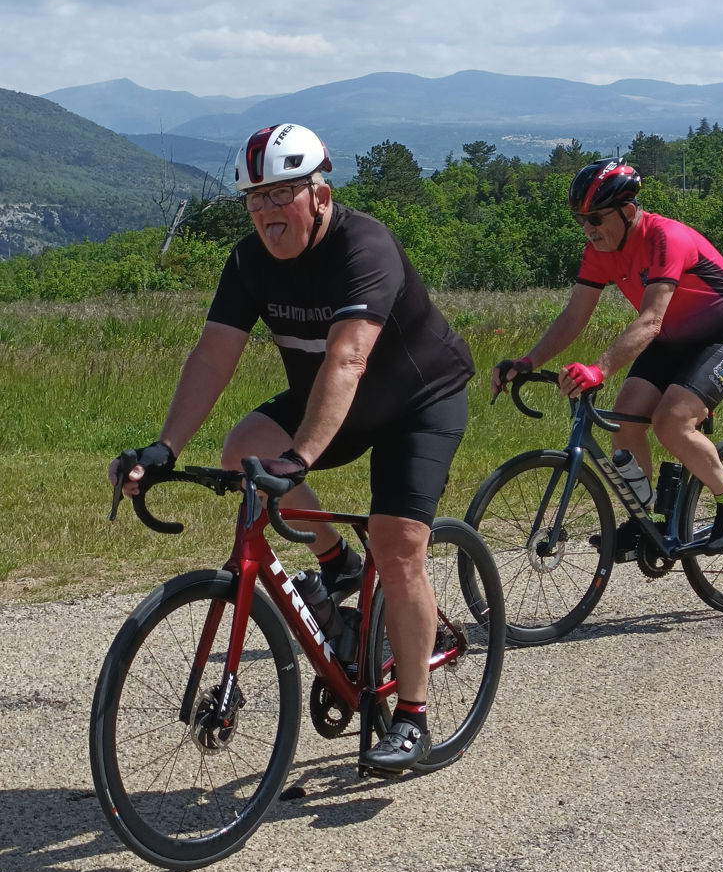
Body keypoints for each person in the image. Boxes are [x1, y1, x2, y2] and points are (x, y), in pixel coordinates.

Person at [109, 123, 474, 774]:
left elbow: (349, 357)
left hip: (417, 403)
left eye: (282, 193)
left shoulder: (364, 246)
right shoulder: (249, 261)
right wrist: (165, 447)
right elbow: (213, 354)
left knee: (397, 544)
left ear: (320, 195)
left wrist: (299, 459)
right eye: (255, 198)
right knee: (243, 447)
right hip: (332, 402)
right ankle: (338, 563)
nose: (266, 210)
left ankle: (413, 718)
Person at [492, 159, 723, 555]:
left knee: (671, 422)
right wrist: (527, 361)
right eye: (581, 219)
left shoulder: (666, 238)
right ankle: (645, 523)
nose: (588, 229)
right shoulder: (599, 250)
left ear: (628, 210)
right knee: (624, 421)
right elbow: (573, 317)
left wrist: (598, 369)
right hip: (672, 340)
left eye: (596, 218)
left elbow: (650, 320)